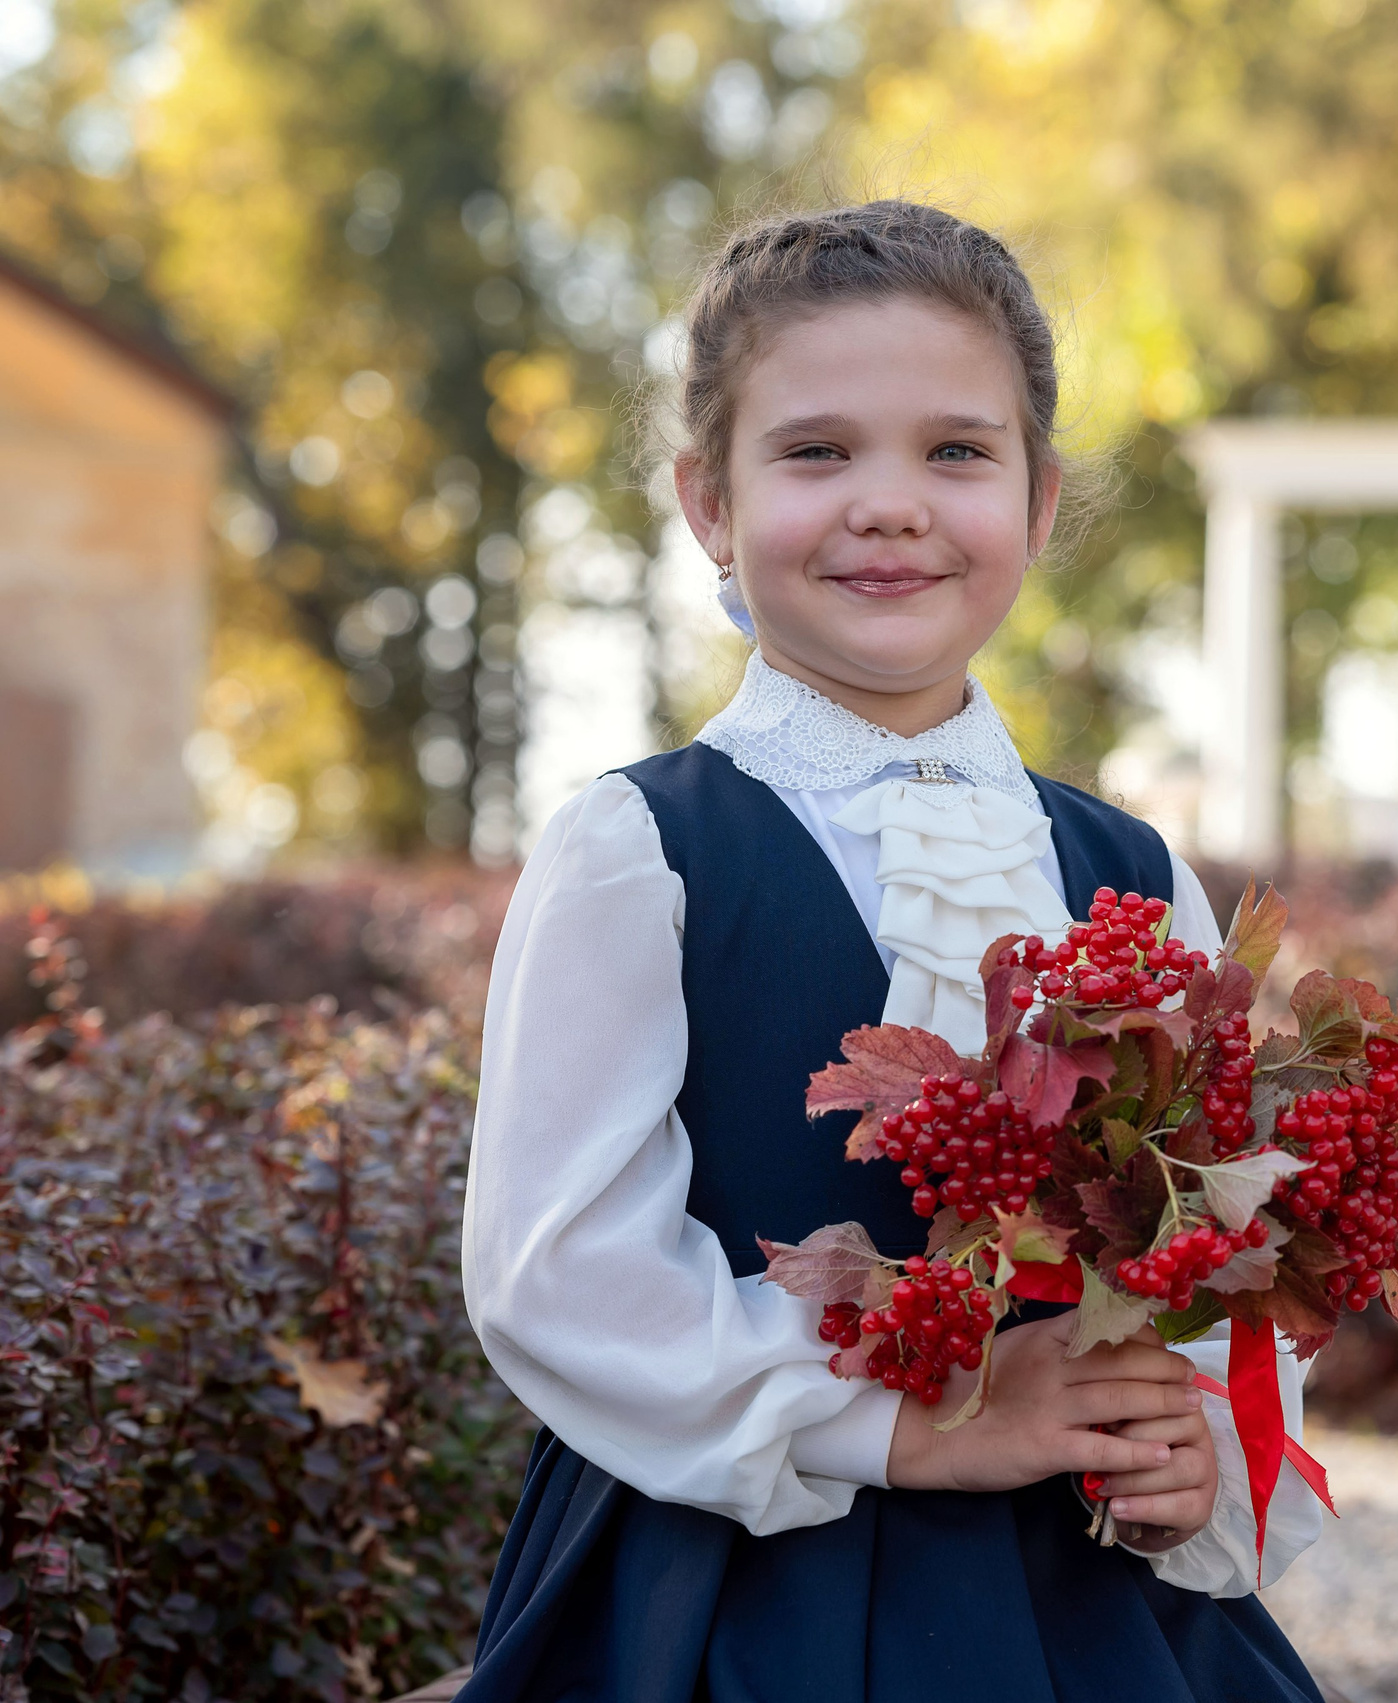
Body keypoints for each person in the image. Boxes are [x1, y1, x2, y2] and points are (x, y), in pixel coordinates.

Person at [456, 200, 1326, 1702]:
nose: (889, 504)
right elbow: (561, 1268)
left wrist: (1192, 1436)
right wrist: (911, 1425)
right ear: (709, 504)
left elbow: (1219, 1243)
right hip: (743, 1585)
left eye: (956, 452)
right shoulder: (638, 850)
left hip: (1090, 1590)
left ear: (1040, 501)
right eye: (814, 452)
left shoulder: (1130, 869)